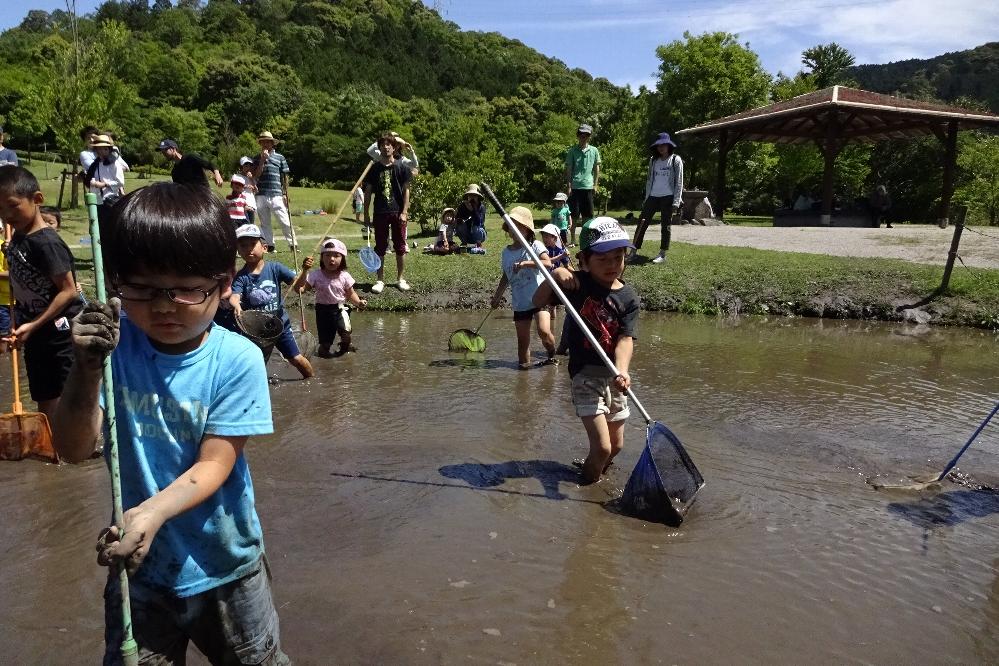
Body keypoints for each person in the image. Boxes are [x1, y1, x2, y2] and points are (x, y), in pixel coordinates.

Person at [48, 182, 288, 664]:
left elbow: (215, 464)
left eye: (185, 289)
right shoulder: (111, 350)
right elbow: (73, 449)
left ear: (222, 286)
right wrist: (85, 369)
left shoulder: (237, 359)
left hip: (226, 566)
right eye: (142, 288)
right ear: (117, 282)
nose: (162, 306)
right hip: (140, 570)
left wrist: (152, 512)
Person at [533, 217, 639, 484]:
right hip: (585, 377)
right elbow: (537, 300)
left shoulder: (629, 297)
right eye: (602, 259)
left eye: (618, 257)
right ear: (584, 260)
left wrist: (623, 371)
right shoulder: (577, 285)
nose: (612, 265)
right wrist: (555, 275)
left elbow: (626, 339)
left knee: (616, 447)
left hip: (615, 378)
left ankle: (593, 471)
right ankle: (586, 491)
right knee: (602, 448)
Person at [0, 166, 84, 422]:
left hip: (59, 331)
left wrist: (34, 323)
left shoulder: (47, 243)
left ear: (37, 200)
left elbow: (69, 291)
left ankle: (77, 448)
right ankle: (53, 448)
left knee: (65, 393)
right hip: (34, 329)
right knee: (43, 393)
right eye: (0, 209)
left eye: (13, 206)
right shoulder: (17, 239)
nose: (6, 215)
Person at [230, 223, 314, 379]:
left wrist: (305, 271)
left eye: (253, 244)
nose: (249, 249)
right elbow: (235, 296)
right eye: (243, 245)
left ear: (264, 247)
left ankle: (311, 380)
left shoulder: (276, 268)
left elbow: (298, 287)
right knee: (255, 363)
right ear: (238, 251)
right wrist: (236, 305)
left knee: (295, 358)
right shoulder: (241, 277)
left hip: (280, 324)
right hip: (257, 331)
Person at [490, 206, 557, 370]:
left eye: (517, 226)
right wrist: (497, 296)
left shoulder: (535, 245)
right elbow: (506, 275)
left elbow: (548, 263)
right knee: (522, 342)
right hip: (520, 302)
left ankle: (552, 354)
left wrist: (527, 263)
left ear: (527, 229)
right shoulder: (506, 252)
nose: (513, 230)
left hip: (539, 297)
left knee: (543, 331)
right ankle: (524, 373)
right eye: (510, 226)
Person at [292, 238, 366, 358]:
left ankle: (345, 349)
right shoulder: (315, 275)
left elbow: (350, 293)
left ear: (342, 259)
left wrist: (358, 302)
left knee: (346, 335)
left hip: (340, 309)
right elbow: (299, 290)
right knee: (324, 347)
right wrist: (305, 271)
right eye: (327, 255)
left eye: (336, 255)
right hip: (322, 311)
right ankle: (328, 357)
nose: (331, 259)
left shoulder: (344, 276)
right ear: (322, 258)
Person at [363, 133, 413, 294]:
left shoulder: (402, 167)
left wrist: (404, 211)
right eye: (382, 145)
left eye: (388, 144)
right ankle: (380, 280)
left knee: (400, 246)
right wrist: (366, 214)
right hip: (380, 212)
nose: (386, 147)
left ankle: (400, 279)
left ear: (394, 147)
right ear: (379, 148)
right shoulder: (374, 168)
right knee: (380, 247)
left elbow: (406, 191)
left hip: (398, 211)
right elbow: (368, 192)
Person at [629, 132, 684, 264]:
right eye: (659, 145)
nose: (661, 147)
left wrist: (676, 201)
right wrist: (646, 198)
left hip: (668, 197)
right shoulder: (653, 160)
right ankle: (633, 251)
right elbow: (649, 180)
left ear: (669, 145)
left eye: (664, 145)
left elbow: (679, 182)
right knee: (642, 222)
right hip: (653, 196)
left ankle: (662, 254)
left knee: (666, 226)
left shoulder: (676, 159)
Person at [252, 131, 297, 253]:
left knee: (284, 220)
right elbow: (256, 176)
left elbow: (285, 177)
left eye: (268, 141)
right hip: (261, 194)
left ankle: (293, 244)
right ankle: (270, 245)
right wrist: (262, 160)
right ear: (260, 143)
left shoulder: (280, 157)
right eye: (263, 142)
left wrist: (285, 193)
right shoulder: (256, 158)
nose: (265, 144)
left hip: (276, 194)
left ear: (272, 143)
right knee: (265, 222)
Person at [564, 123, 601, 245]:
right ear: (578, 135)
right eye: (581, 134)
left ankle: (586, 239)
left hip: (588, 187)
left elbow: (596, 168)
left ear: (589, 136)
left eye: (586, 135)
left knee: (588, 216)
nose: (583, 137)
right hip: (575, 187)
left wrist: (595, 185)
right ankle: (573, 240)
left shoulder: (594, 150)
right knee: (573, 216)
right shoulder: (572, 151)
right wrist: (569, 186)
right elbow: (569, 169)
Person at [84, 134, 126, 234]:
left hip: (110, 201)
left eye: (103, 149)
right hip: (96, 201)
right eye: (98, 149)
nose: (100, 151)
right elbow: (90, 179)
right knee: (95, 231)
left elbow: (120, 182)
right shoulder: (95, 164)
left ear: (108, 149)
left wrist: (104, 184)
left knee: (110, 230)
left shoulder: (114, 164)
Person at [156, 138, 224, 189]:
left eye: (165, 150)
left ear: (173, 149)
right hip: (189, 200)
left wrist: (217, 175)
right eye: (162, 151)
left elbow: (211, 165)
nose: (163, 153)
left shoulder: (190, 158)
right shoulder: (174, 172)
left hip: (204, 194)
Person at [454, 183, 487, 253]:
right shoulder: (462, 206)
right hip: (467, 234)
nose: (472, 197)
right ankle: (464, 243)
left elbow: (479, 222)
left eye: (474, 195)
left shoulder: (481, 207)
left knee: (476, 226)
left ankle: (478, 244)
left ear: (478, 197)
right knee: (459, 226)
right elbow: (457, 219)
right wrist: (459, 219)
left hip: (479, 234)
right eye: (470, 195)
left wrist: (473, 210)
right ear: (467, 196)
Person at [239, 156, 259, 225]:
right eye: (246, 165)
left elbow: (256, 190)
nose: (248, 167)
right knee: (242, 226)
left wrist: (251, 179)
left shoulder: (251, 178)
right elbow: (235, 188)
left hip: (251, 205)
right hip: (241, 205)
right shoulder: (237, 176)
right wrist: (246, 186)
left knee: (251, 226)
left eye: (250, 165)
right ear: (242, 166)